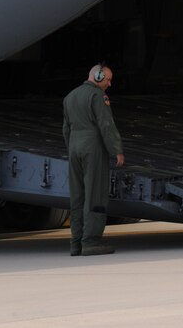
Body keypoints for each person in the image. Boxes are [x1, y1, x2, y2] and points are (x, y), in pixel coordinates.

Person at [62, 64, 125, 256]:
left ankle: (75, 243)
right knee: (95, 194)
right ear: (97, 77)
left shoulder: (70, 96)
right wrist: (117, 150)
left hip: (74, 147)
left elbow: (66, 128)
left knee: (77, 196)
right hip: (93, 147)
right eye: (107, 79)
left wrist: (72, 147)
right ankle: (91, 241)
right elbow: (106, 125)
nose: (109, 83)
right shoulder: (98, 96)